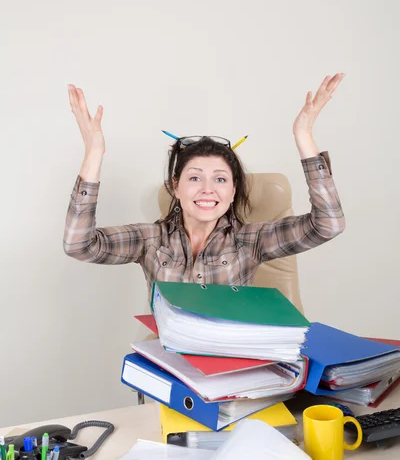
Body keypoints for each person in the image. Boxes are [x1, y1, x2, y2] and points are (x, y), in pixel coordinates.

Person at [64, 74, 346, 301]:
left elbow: (328, 225)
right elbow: (79, 245)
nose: (208, 189)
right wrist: (94, 152)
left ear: (233, 190)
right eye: (195, 178)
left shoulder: (250, 240)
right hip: (173, 360)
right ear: (176, 186)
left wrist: (303, 135)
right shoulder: (150, 239)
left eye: (220, 179)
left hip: (232, 360)